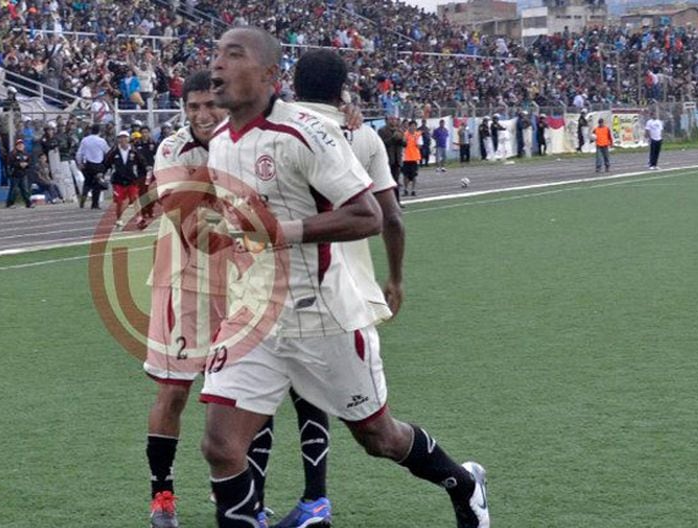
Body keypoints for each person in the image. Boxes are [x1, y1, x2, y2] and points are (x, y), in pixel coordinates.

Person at [202, 26, 488, 528]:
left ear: (269, 74)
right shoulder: (222, 141)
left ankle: (464, 484)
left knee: (380, 438)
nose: (217, 64)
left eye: (233, 54)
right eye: (216, 54)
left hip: (324, 318)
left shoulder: (307, 134)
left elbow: (368, 216)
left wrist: (281, 231)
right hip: (255, 318)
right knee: (221, 446)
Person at [272, 48, 408, 528]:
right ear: (343, 90)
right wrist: (395, 277)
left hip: (299, 282)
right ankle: (312, 499)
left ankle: (298, 500)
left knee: (305, 403)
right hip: (351, 289)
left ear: (291, 84)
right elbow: (391, 217)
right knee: (337, 410)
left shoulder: (281, 131)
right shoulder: (362, 135)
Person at [140, 70, 275, 528]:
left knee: (250, 394)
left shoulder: (250, 143)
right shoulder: (173, 150)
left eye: (210, 105)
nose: (201, 114)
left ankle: (250, 497)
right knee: (173, 391)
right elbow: (189, 224)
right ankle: (162, 497)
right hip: (185, 285)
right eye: (193, 106)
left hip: (243, 288)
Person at [105, 130, 145, 228]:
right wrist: (101, 172)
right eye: (121, 137)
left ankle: (139, 218)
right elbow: (106, 162)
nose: (123, 139)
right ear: (118, 139)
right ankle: (119, 219)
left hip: (131, 180)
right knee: (119, 201)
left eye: (125, 137)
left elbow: (141, 162)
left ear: (128, 139)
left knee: (135, 199)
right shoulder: (114, 151)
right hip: (118, 181)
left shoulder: (134, 151)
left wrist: (143, 171)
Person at [76, 124, 110, 209]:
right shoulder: (101, 141)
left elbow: (79, 153)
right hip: (98, 164)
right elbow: (108, 151)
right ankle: (95, 204)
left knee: (87, 182)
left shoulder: (85, 140)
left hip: (88, 164)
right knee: (97, 184)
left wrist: (79, 163)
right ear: (99, 131)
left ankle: (83, 197)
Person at [377, 115, 405, 206]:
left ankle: (397, 201)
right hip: (388, 159)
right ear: (387, 120)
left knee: (396, 181)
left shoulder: (399, 130)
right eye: (391, 119)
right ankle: (388, 202)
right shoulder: (382, 131)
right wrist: (393, 139)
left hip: (397, 160)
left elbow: (405, 144)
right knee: (387, 182)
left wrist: (400, 139)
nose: (393, 121)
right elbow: (382, 144)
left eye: (394, 119)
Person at [6, 139, 33, 208]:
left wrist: (26, 164)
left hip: (23, 174)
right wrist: (19, 164)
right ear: (16, 146)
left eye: (21, 144)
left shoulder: (26, 154)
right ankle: (10, 204)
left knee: (25, 189)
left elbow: (30, 162)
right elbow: (10, 163)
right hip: (15, 174)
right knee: (14, 190)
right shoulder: (12, 154)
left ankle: (29, 203)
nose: (20, 146)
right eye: (19, 144)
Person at [401, 120, 422, 196]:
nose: (413, 128)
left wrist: (417, 142)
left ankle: (413, 190)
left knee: (414, 175)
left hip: (414, 158)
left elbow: (420, 146)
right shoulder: (405, 134)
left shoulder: (418, 135)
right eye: (412, 126)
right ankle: (405, 189)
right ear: (409, 127)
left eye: (414, 126)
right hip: (406, 158)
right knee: (405, 175)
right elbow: (403, 144)